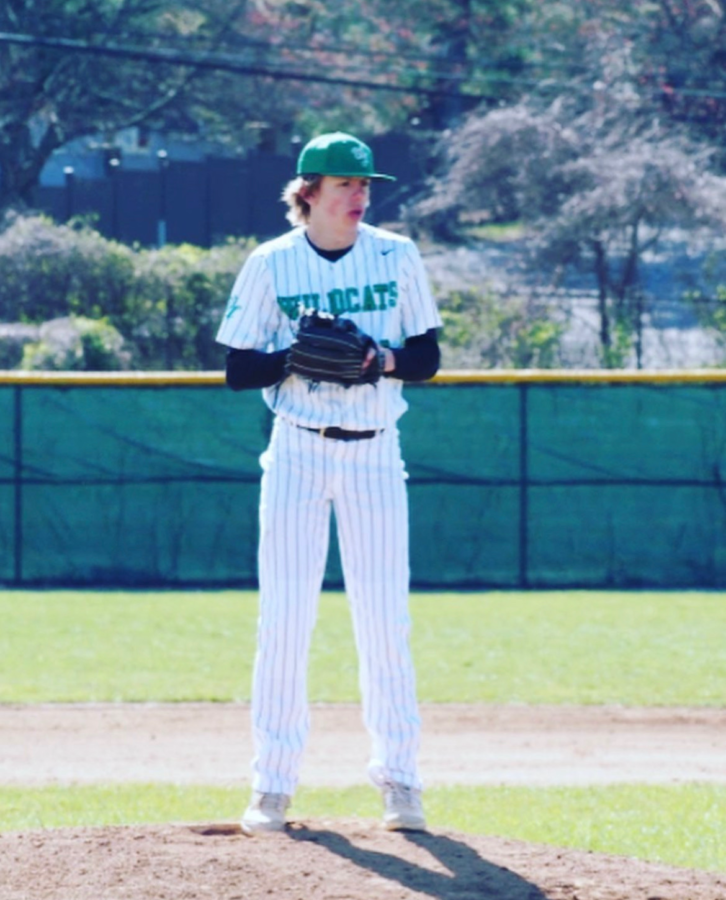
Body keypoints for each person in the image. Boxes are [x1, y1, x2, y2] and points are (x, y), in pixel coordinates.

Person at [216, 131, 442, 836]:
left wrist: (377, 358)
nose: (360, 195)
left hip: (375, 453)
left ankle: (400, 782)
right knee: (284, 621)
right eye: (345, 184)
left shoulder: (396, 255)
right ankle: (271, 787)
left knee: (384, 621)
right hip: (297, 452)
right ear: (307, 191)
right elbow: (237, 369)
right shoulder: (271, 263)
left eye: (366, 184)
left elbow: (428, 357)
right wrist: (293, 355)